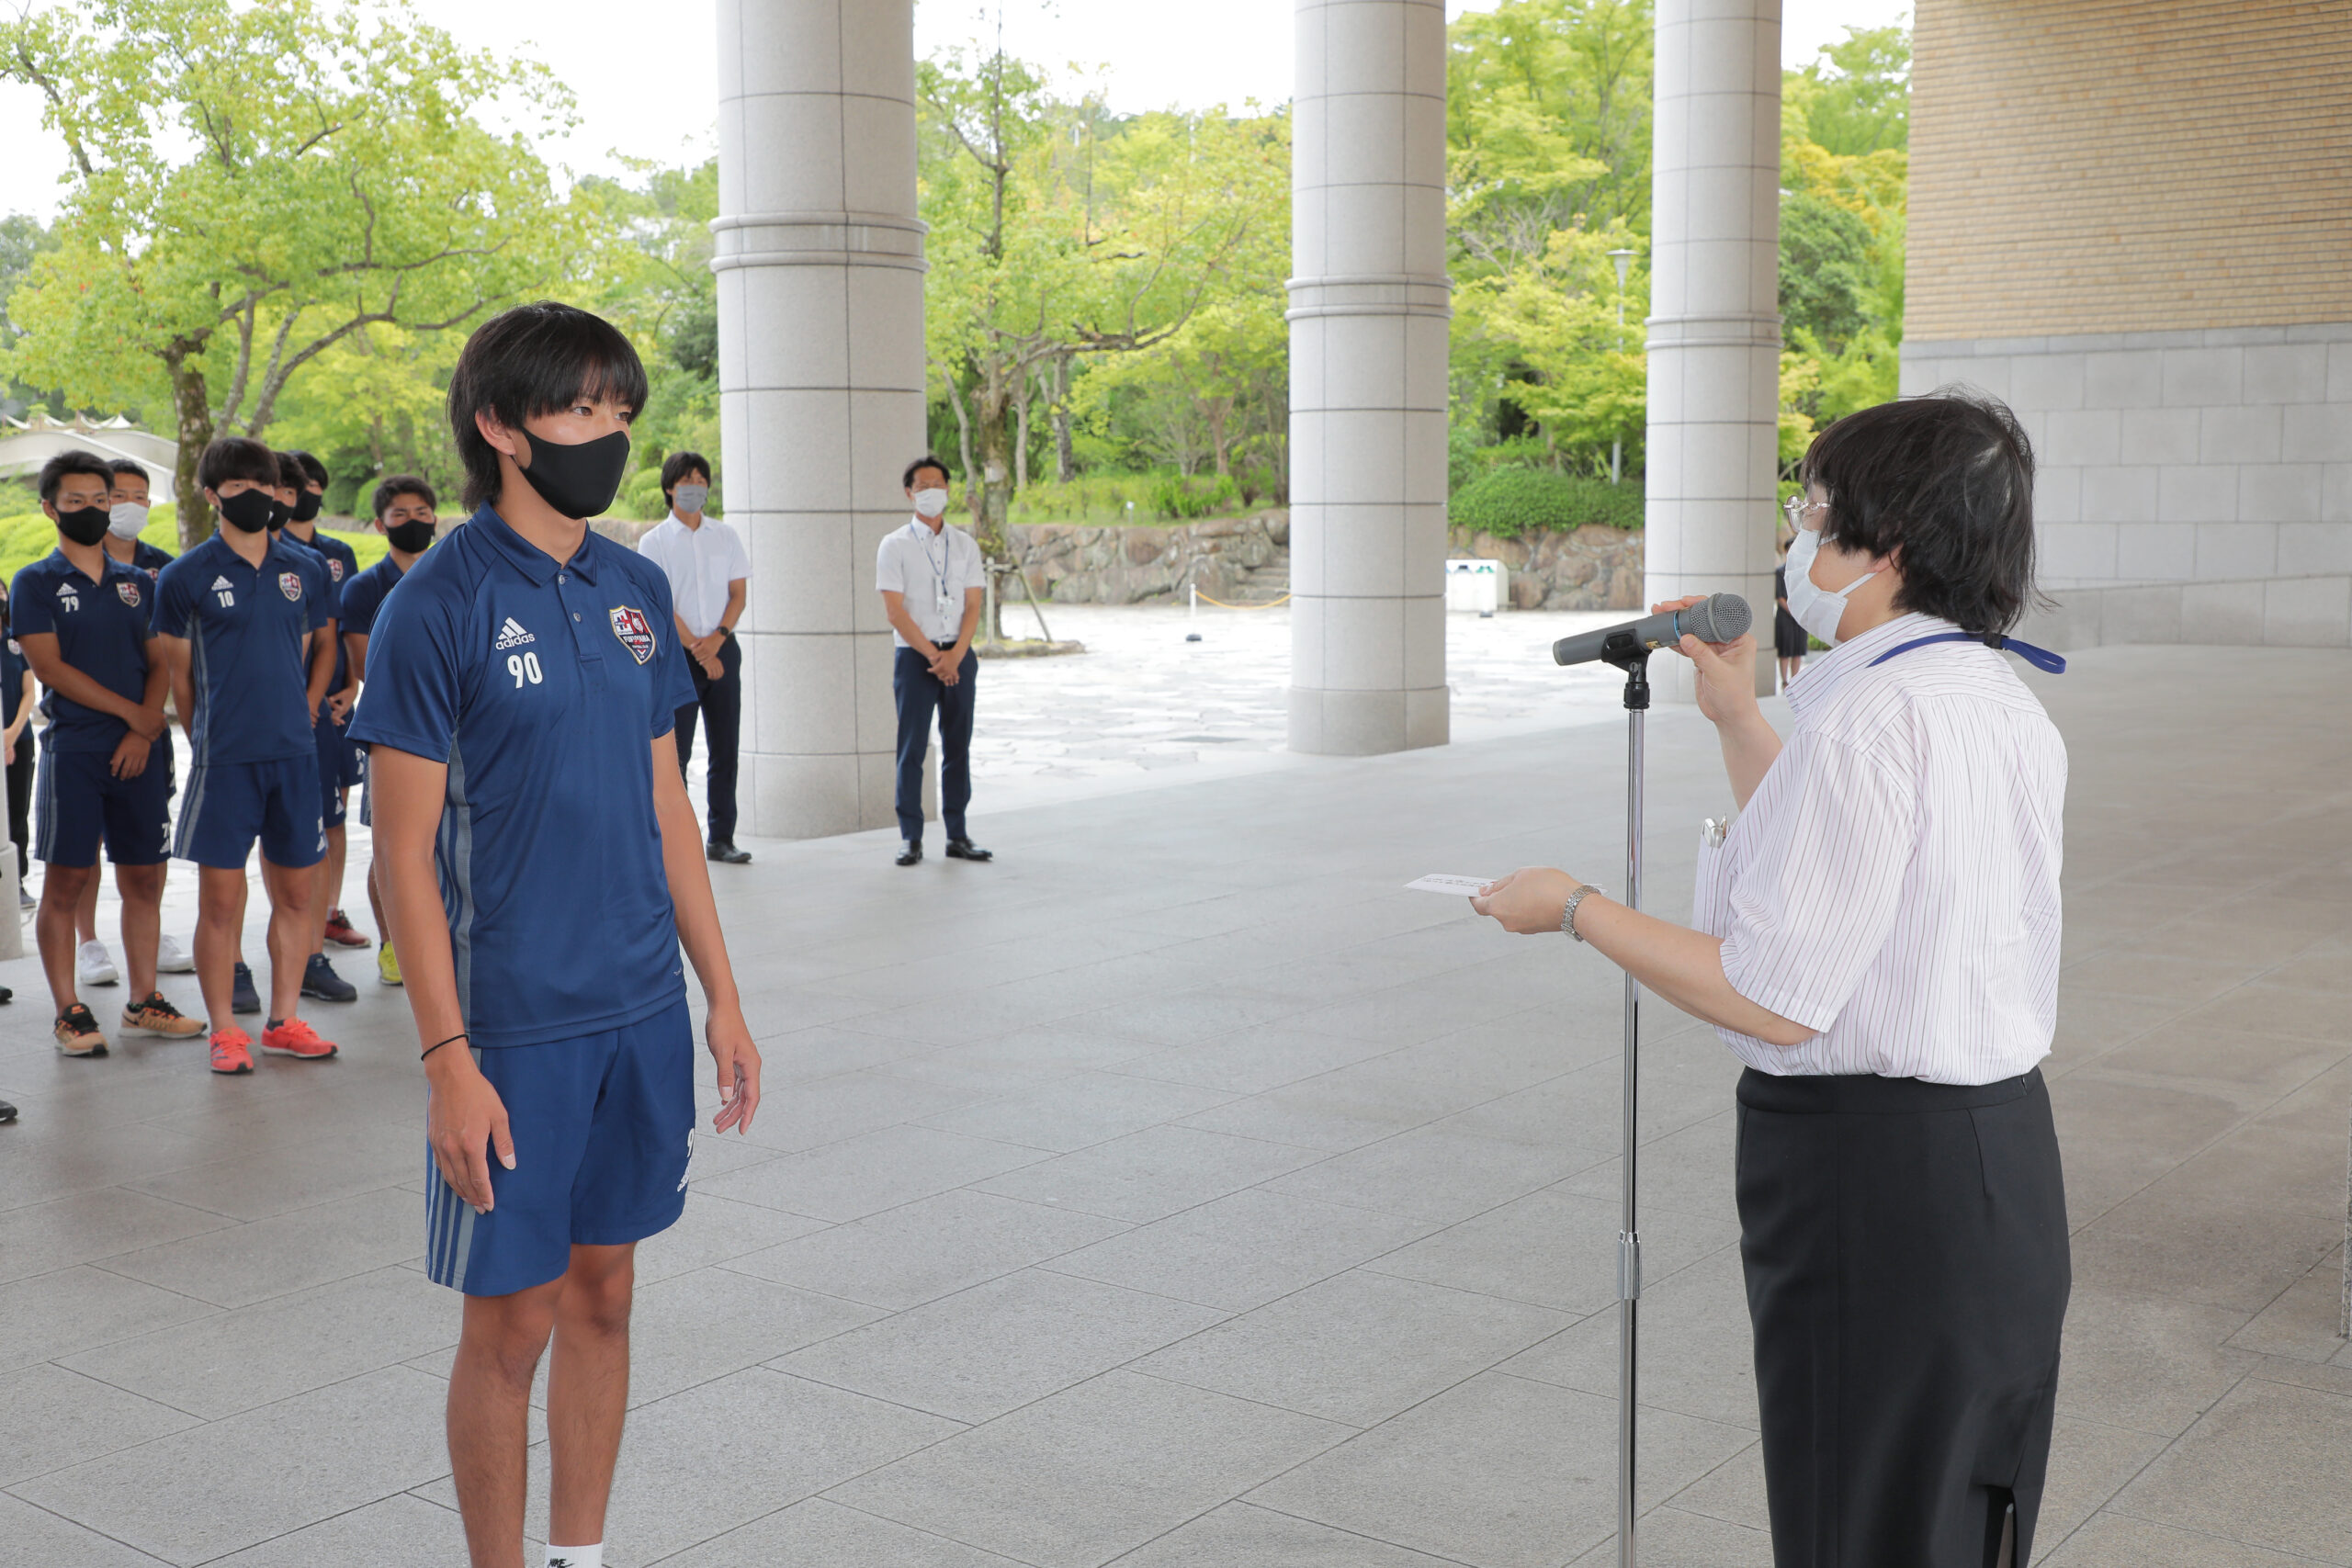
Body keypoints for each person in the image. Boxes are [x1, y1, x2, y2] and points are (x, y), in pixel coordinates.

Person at [1471, 390, 2070, 1568]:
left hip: (1874, 1178)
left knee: (1855, 1511)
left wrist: (1578, 908)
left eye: (1814, 513)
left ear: (1889, 546)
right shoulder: (1989, 695)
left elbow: (1774, 994)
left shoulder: (1869, 718)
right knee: (1953, 1516)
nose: (1797, 538)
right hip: (1994, 1164)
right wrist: (1738, 716)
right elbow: (1843, 883)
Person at [351, 301, 761, 1568]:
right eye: (580, 408)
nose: (610, 434)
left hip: (640, 1011)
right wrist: (447, 1060)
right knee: (511, 1322)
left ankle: (581, 1554)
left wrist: (722, 998)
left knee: (606, 1294)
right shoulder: (439, 602)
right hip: (513, 1027)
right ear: (501, 426)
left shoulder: (636, 587)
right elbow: (401, 857)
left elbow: (668, 806)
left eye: (620, 409)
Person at [153, 437, 342, 1075]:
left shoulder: (305, 569)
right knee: (220, 903)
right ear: (212, 495)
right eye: (238, 486)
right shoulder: (186, 576)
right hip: (226, 761)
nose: (255, 495)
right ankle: (226, 1031)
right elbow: (179, 675)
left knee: (297, 895)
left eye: (263, 484)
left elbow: (322, 645)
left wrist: (307, 706)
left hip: (294, 756)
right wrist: (205, 734)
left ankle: (284, 1021)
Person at [14, 451, 207, 1056]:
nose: (94, 511)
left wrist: (143, 733)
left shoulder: (138, 583)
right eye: (77, 502)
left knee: (145, 875)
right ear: (50, 509)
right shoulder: (35, 582)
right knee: (67, 880)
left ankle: (144, 1001)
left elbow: (160, 661)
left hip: (139, 752)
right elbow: (50, 668)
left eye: (101, 500)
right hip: (75, 750)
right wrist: (134, 717)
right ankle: (69, 1011)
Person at [71, 458, 197, 981]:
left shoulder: (164, 569)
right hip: (86, 732)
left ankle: (150, 929)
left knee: (148, 837)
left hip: (149, 729)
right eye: (118, 495)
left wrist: (146, 725)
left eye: (140, 497)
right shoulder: (72, 563)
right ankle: (88, 941)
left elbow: (173, 654)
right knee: (86, 842)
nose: (130, 506)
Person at [340, 473, 440, 987]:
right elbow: (365, 666)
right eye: (400, 514)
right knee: (393, 847)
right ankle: (390, 944)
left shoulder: (455, 578)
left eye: (422, 512)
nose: (413, 522)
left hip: (457, 729)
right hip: (394, 731)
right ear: (380, 525)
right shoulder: (363, 589)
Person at [279, 449, 367, 1001]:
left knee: (332, 814)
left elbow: (341, 631)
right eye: (294, 487)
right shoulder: (265, 555)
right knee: (289, 830)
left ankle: (327, 916)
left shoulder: (333, 555)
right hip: (282, 718)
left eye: (312, 485)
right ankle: (289, 946)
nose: (303, 494)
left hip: (330, 709)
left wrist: (347, 688)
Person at [635, 451, 751, 864]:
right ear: (670, 488)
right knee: (676, 753)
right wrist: (698, 650)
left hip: (723, 648)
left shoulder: (726, 536)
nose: (695, 487)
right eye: (687, 480)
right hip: (677, 655)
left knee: (726, 747)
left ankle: (722, 838)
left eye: (701, 480)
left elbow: (738, 594)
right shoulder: (654, 542)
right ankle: (676, 843)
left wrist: (716, 641)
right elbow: (659, 605)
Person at [876, 456, 990, 867]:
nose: (931, 492)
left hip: (958, 655)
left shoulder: (965, 544)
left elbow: (973, 605)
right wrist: (933, 656)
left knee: (958, 745)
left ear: (949, 489)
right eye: (922, 486)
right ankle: (911, 837)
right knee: (912, 748)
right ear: (909, 493)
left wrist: (955, 655)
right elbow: (894, 611)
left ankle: (957, 834)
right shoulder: (894, 545)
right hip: (915, 658)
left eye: (938, 484)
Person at [3, 587, 32, 913]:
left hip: (19, 741)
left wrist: (10, 735)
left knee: (17, 813)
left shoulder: (15, 641)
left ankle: (17, 881)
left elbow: (29, 692)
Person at [1772, 532, 1807, 689]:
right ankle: (1785, 682)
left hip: (1800, 616)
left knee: (1798, 650)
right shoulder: (1780, 572)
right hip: (1785, 616)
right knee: (1785, 650)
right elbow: (1779, 597)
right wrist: (1793, 611)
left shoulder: (1804, 571)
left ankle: (1795, 681)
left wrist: (1800, 612)